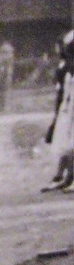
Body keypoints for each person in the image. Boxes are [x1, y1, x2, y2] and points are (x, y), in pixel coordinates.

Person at [42, 30, 74, 191]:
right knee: (65, 142)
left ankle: (68, 176)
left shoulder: (68, 67)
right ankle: (63, 175)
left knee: (70, 143)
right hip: (67, 107)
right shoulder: (67, 67)